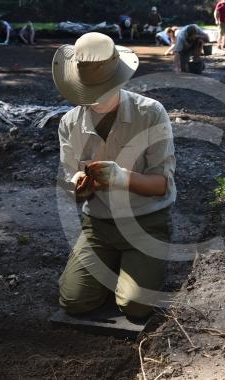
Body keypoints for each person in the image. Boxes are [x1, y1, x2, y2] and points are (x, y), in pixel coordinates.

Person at [52, 32, 176, 319]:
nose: (94, 99)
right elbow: (73, 183)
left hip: (146, 222)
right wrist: (79, 187)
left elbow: (161, 185)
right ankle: (116, 268)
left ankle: (139, 266)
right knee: (74, 300)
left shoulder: (151, 114)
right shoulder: (69, 123)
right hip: (98, 224)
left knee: (135, 307)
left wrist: (122, 177)